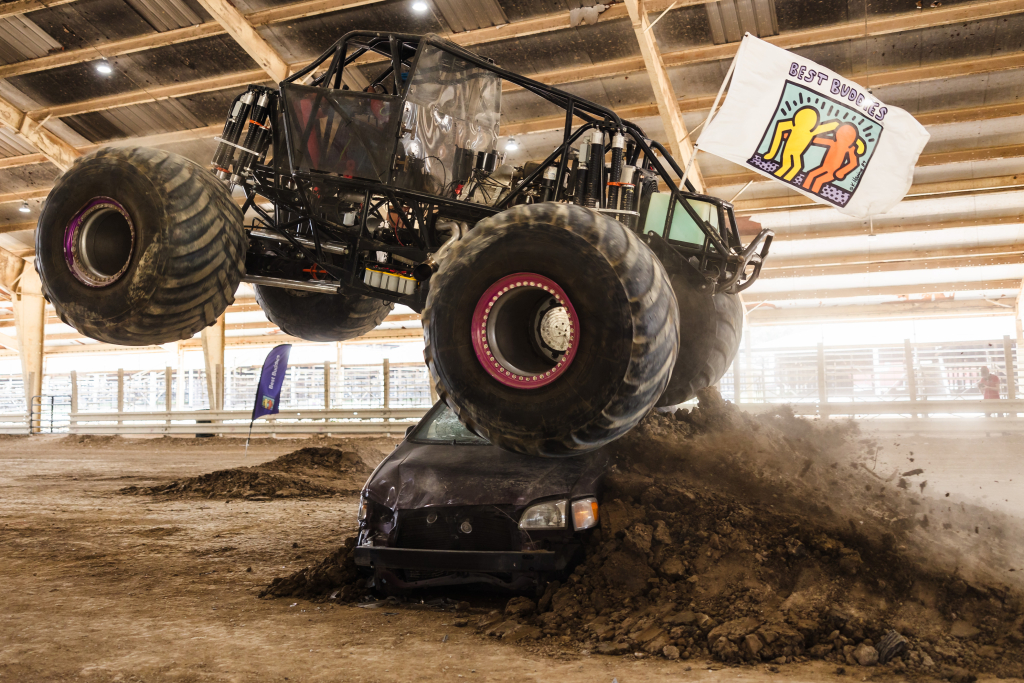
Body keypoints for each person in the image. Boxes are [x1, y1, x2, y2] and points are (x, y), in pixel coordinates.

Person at [764, 106, 840, 182]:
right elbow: (780, 128)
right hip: (788, 151)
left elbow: (828, 126)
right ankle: (781, 177)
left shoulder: (810, 131)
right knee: (790, 166)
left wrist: (838, 125)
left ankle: (784, 178)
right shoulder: (806, 130)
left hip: (795, 153)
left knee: (795, 166)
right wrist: (771, 153)